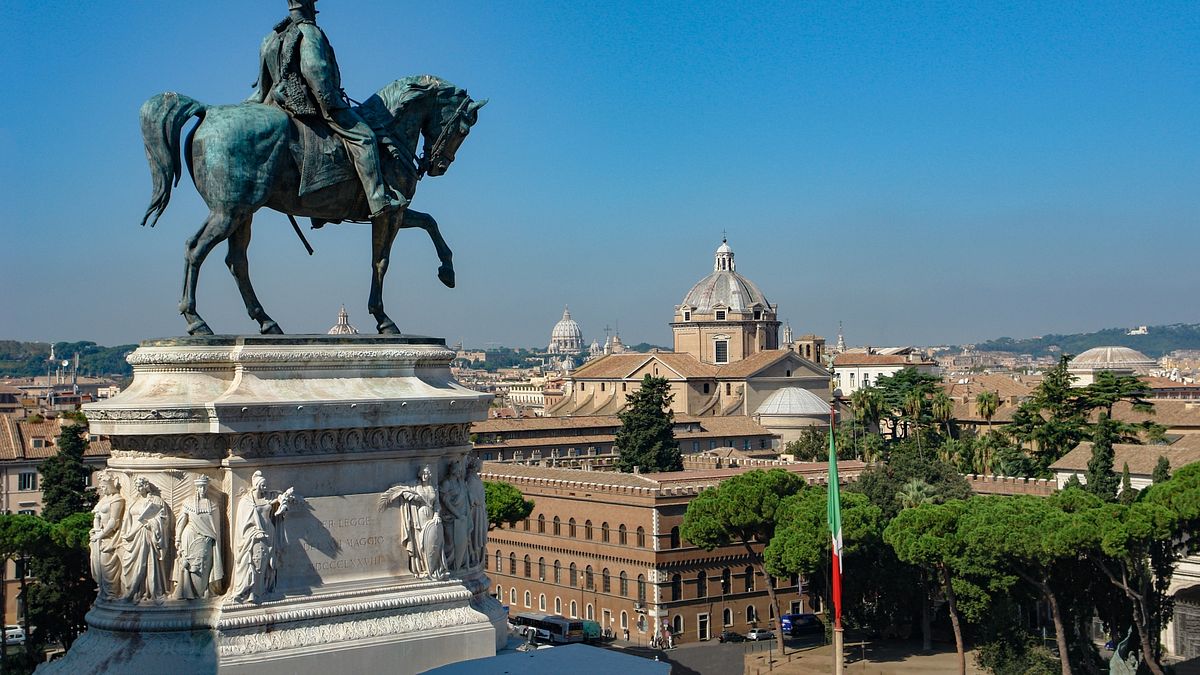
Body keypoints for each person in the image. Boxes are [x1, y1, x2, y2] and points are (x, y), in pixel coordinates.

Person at [248, 0, 406, 219]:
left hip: (276, 103)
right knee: (366, 138)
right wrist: (332, 101)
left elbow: (261, 88)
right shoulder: (310, 32)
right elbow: (315, 71)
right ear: (311, 7)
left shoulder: (272, 37)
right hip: (309, 103)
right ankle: (379, 199)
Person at [233, 471, 296, 603]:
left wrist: (283, 500)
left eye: (265, 485)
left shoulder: (267, 497)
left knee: (266, 564)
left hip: (269, 533)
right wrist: (254, 532)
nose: (265, 488)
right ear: (255, 486)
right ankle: (251, 593)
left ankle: (262, 590)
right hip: (254, 536)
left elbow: (278, 497)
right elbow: (243, 523)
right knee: (256, 563)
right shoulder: (246, 501)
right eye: (262, 485)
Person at [173, 474, 225, 599]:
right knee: (188, 566)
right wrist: (178, 538)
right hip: (189, 536)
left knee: (203, 567)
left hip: (206, 540)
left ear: (207, 487)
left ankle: (202, 592)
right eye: (200, 487)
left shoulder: (213, 505)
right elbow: (181, 522)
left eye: (204, 487)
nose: (202, 490)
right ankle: (186, 592)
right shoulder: (188, 502)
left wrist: (213, 538)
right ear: (196, 488)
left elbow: (215, 527)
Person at [121, 476, 171, 602]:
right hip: (133, 536)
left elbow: (164, 518)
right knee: (132, 564)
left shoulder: (156, 500)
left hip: (147, 535)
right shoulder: (133, 500)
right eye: (137, 486)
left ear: (146, 486)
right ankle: (134, 591)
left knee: (147, 564)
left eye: (140, 486)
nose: (138, 488)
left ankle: (149, 592)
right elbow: (127, 519)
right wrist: (126, 533)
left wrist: (152, 523)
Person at [90, 473, 126, 600]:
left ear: (110, 485)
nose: (101, 488)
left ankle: (112, 593)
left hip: (110, 538)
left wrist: (101, 534)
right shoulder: (104, 500)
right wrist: (96, 530)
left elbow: (113, 521)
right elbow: (97, 516)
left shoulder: (117, 500)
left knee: (107, 565)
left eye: (104, 486)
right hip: (99, 536)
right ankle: (103, 592)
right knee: (99, 566)